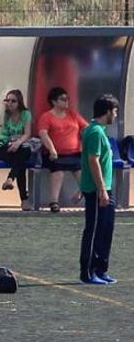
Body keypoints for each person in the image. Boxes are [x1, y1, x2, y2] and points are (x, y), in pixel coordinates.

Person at [79, 94, 120, 286]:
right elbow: (92, 161)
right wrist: (101, 190)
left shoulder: (100, 131)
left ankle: (101, 269)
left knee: (106, 229)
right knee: (94, 230)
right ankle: (87, 272)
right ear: (106, 112)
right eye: (114, 111)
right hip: (97, 190)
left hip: (106, 189)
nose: (116, 114)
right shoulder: (94, 132)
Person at [36, 87, 88, 213]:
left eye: (67, 99)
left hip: (75, 153)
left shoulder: (73, 114)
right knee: (58, 172)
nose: (66, 102)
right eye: (63, 99)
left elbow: (86, 127)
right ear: (54, 102)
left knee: (83, 172)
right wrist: (52, 149)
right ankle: (54, 202)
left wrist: (85, 140)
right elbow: (43, 133)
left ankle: (85, 195)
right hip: (56, 154)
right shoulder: (46, 117)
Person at [0, 89, 35, 211]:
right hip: (3, 147)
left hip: (18, 146)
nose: (10, 103)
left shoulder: (25, 114)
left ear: (19, 102)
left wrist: (18, 143)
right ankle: (24, 199)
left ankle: (10, 180)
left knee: (23, 155)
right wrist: (3, 107)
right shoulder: (3, 114)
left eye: (13, 101)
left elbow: (27, 134)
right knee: (21, 162)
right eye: (8, 100)